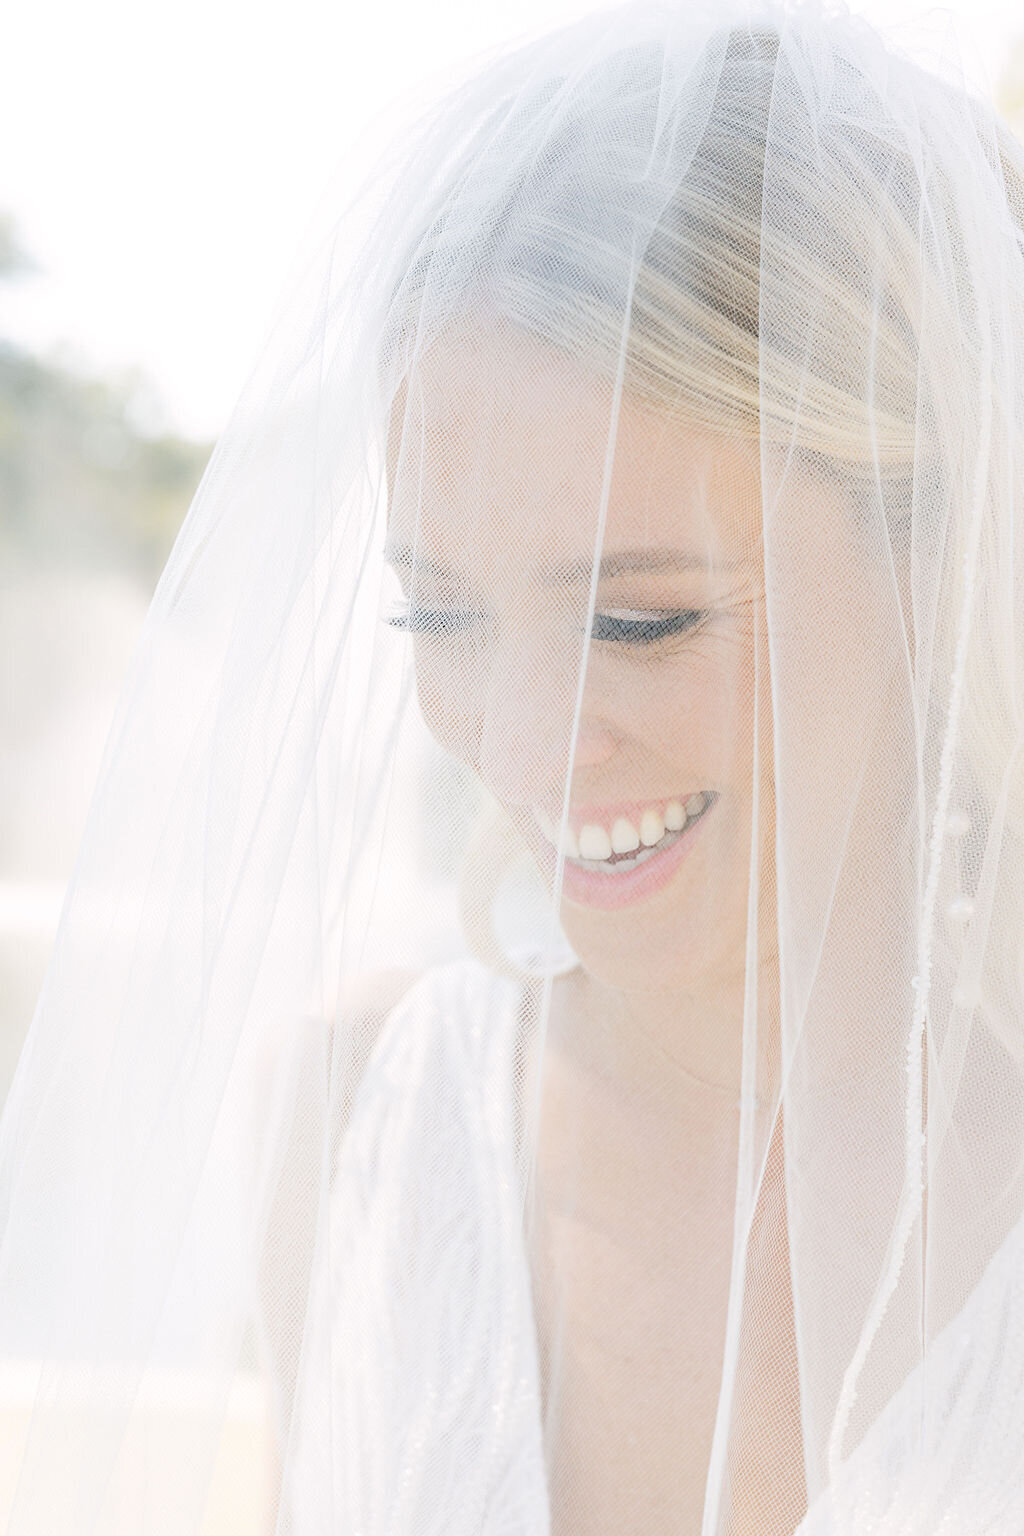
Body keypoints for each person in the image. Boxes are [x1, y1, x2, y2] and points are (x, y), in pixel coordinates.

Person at [3, 3, 1024, 1533]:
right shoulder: (359, 1124)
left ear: (944, 561)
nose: (524, 739)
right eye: (447, 614)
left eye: (639, 617)